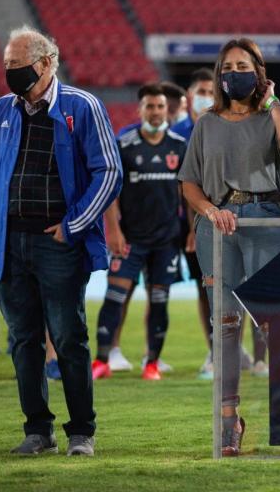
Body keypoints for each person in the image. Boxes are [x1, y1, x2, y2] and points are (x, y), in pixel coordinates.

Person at [0, 25, 121, 455]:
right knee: (24, 341)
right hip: (10, 242)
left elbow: (109, 171)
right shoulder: (2, 109)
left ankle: (82, 431)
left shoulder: (82, 106)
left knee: (69, 337)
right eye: (6, 64)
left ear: (46, 63)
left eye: (17, 64)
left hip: (57, 242)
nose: (9, 72)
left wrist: (74, 226)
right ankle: (38, 430)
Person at [178, 37, 280, 456]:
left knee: (276, 325)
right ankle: (229, 422)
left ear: (259, 72)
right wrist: (209, 212)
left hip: (266, 219)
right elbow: (189, 182)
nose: (235, 74)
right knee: (226, 327)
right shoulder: (206, 123)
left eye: (243, 66)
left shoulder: (272, 115)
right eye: (228, 67)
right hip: (218, 226)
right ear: (219, 75)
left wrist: (273, 103)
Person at [91, 83, 188, 381]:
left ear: (167, 110)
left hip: (167, 240)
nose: (156, 112)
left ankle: (152, 364)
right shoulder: (124, 145)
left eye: (160, 107)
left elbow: (187, 192)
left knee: (159, 300)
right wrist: (114, 230)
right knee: (114, 296)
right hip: (131, 238)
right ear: (140, 109)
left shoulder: (179, 146)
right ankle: (101, 360)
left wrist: (193, 231)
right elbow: (111, 192)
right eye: (150, 106)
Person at [172, 68, 218, 380]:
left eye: (211, 92)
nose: (206, 97)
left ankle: (228, 349)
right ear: (189, 95)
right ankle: (214, 350)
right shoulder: (176, 134)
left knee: (232, 287)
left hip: (226, 218)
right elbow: (182, 186)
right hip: (189, 224)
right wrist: (192, 228)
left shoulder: (225, 126)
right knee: (206, 288)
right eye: (201, 91)